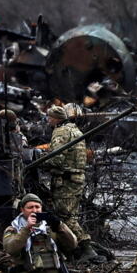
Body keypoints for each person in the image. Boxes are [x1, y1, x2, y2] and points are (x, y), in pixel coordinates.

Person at [42, 104, 98, 263]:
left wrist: (41, 162)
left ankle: (87, 248)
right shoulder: (75, 130)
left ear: (55, 119)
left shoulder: (60, 132)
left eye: (49, 117)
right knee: (71, 214)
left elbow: (57, 159)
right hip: (77, 178)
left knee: (65, 216)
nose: (47, 120)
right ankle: (74, 250)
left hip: (65, 180)